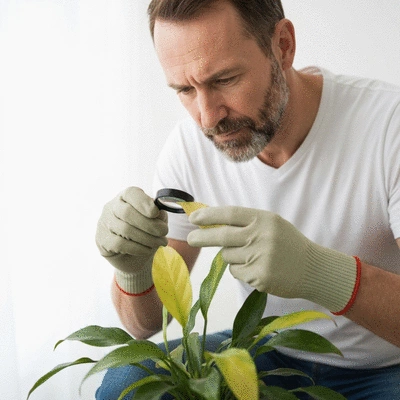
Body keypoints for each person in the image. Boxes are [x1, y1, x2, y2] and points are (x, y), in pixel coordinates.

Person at [94, 0, 400, 398]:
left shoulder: (388, 126)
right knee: (127, 385)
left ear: (283, 45)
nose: (207, 117)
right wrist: (132, 270)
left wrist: (320, 273)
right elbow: (144, 325)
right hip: (267, 352)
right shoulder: (190, 147)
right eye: (186, 89)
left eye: (224, 79)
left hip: (387, 367)